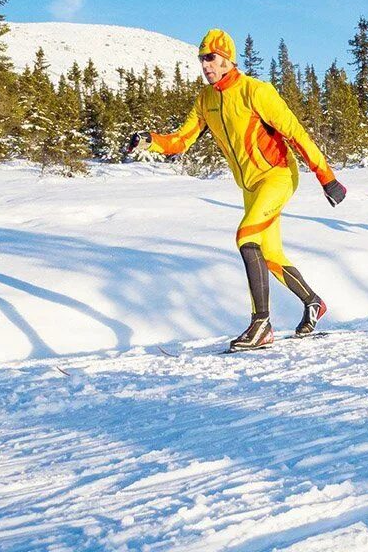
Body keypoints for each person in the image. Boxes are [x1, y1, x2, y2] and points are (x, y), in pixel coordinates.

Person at [129, 29, 347, 351]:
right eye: (202, 59)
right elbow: (181, 140)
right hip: (250, 186)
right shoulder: (205, 100)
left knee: (246, 236)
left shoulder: (255, 92)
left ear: (228, 59)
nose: (205, 65)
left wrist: (327, 178)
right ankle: (313, 302)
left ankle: (262, 324)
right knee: (270, 255)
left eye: (211, 58)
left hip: (278, 176)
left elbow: (296, 133)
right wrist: (151, 140)